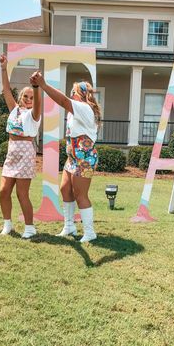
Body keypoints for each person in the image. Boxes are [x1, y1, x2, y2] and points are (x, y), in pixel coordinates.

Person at [30, 72, 101, 243]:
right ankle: (69, 226)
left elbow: (62, 101)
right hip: (73, 158)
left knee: (80, 194)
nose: (71, 94)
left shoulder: (84, 108)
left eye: (73, 91)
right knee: (65, 189)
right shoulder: (75, 110)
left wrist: (43, 85)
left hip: (84, 158)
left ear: (81, 94)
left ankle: (90, 232)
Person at [0, 54, 41, 238]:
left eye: (31, 96)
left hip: (25, 155)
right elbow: (6, 89)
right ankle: (7, 224)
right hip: (12, 152)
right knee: (3, 191)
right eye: (26, 95)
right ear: (21, 97)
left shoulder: (34, 114)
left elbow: (38, 103)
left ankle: (30, 227)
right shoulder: (15, 109)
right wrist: (3, 68)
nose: (28, 98)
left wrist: (36, 87)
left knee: (22, 194)